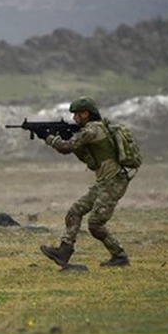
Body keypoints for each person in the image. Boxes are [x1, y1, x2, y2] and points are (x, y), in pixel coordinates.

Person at [40, 96, 131, 269]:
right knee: (74, 212)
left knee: (95, 224)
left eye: (77, 115)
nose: (74, 119)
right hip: (104, 182)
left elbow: (66, 147)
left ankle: (120, 256)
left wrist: (48, 137)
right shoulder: (94, 128)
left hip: (113, 183)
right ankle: (64, 251)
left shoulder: (92, 130)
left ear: (86, 114)